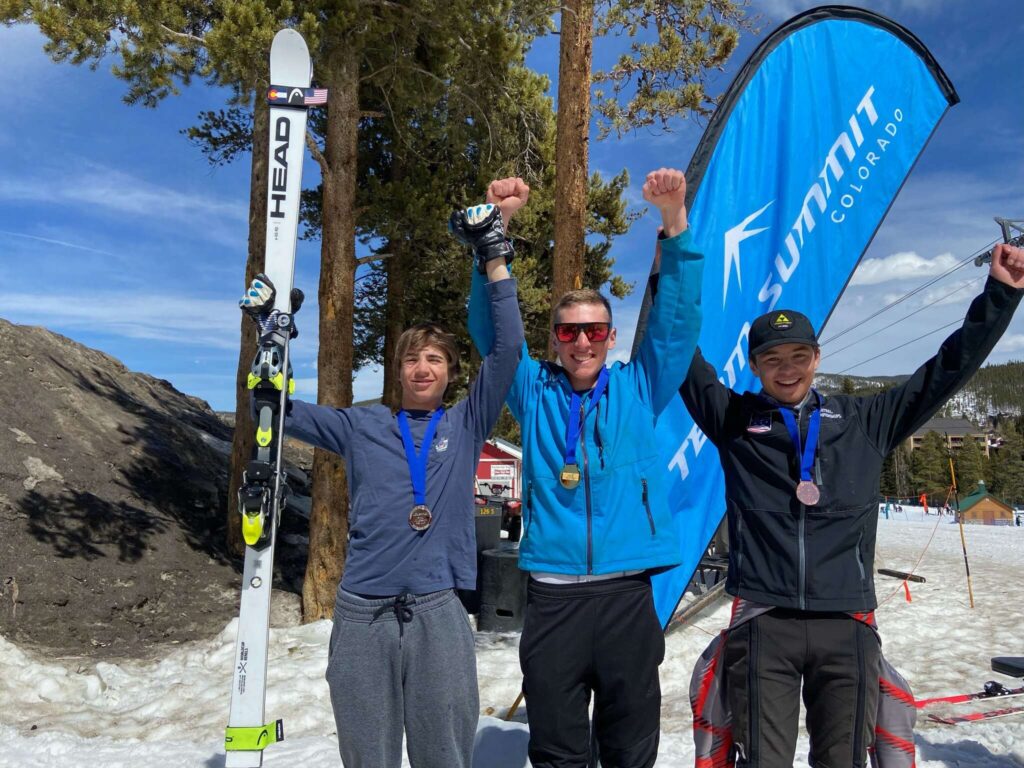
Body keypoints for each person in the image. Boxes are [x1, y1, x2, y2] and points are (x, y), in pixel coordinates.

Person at [679, 242, 1024, 767]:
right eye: (772, 359)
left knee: (842, 760)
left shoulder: (867, 420)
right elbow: (678, 351)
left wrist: (1000, 294)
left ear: (817, 358)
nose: (787, 369)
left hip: (848, 623)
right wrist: (670, 256)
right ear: (753, 366)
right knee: (763, 761)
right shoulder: (734, 420)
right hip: (763, 621)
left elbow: (947, 369)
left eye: (799, 356)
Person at [239, 178, 529, 768]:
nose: (422, 368)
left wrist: (494, 258)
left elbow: (508, 352)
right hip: (361, 613)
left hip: (438, 612)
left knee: (443, 754)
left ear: (449, 372)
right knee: (366, 755)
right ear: (396, 369)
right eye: (411, 358)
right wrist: (269, 340)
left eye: (435, 359)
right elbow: (272, 411)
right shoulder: (360, 425)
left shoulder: (467, 422)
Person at [468, 168, 705, 767]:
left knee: (629, 749)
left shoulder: (638, 385)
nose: (582, 342)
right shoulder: (532, 390)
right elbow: (493, 336)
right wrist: (494, 241)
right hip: (553, 601)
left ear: (610, 335)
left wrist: (673, 224)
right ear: (554, 339)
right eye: (570, 331)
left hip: (628, 596)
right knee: (556, 750)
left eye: (594, 330)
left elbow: (676, 326)